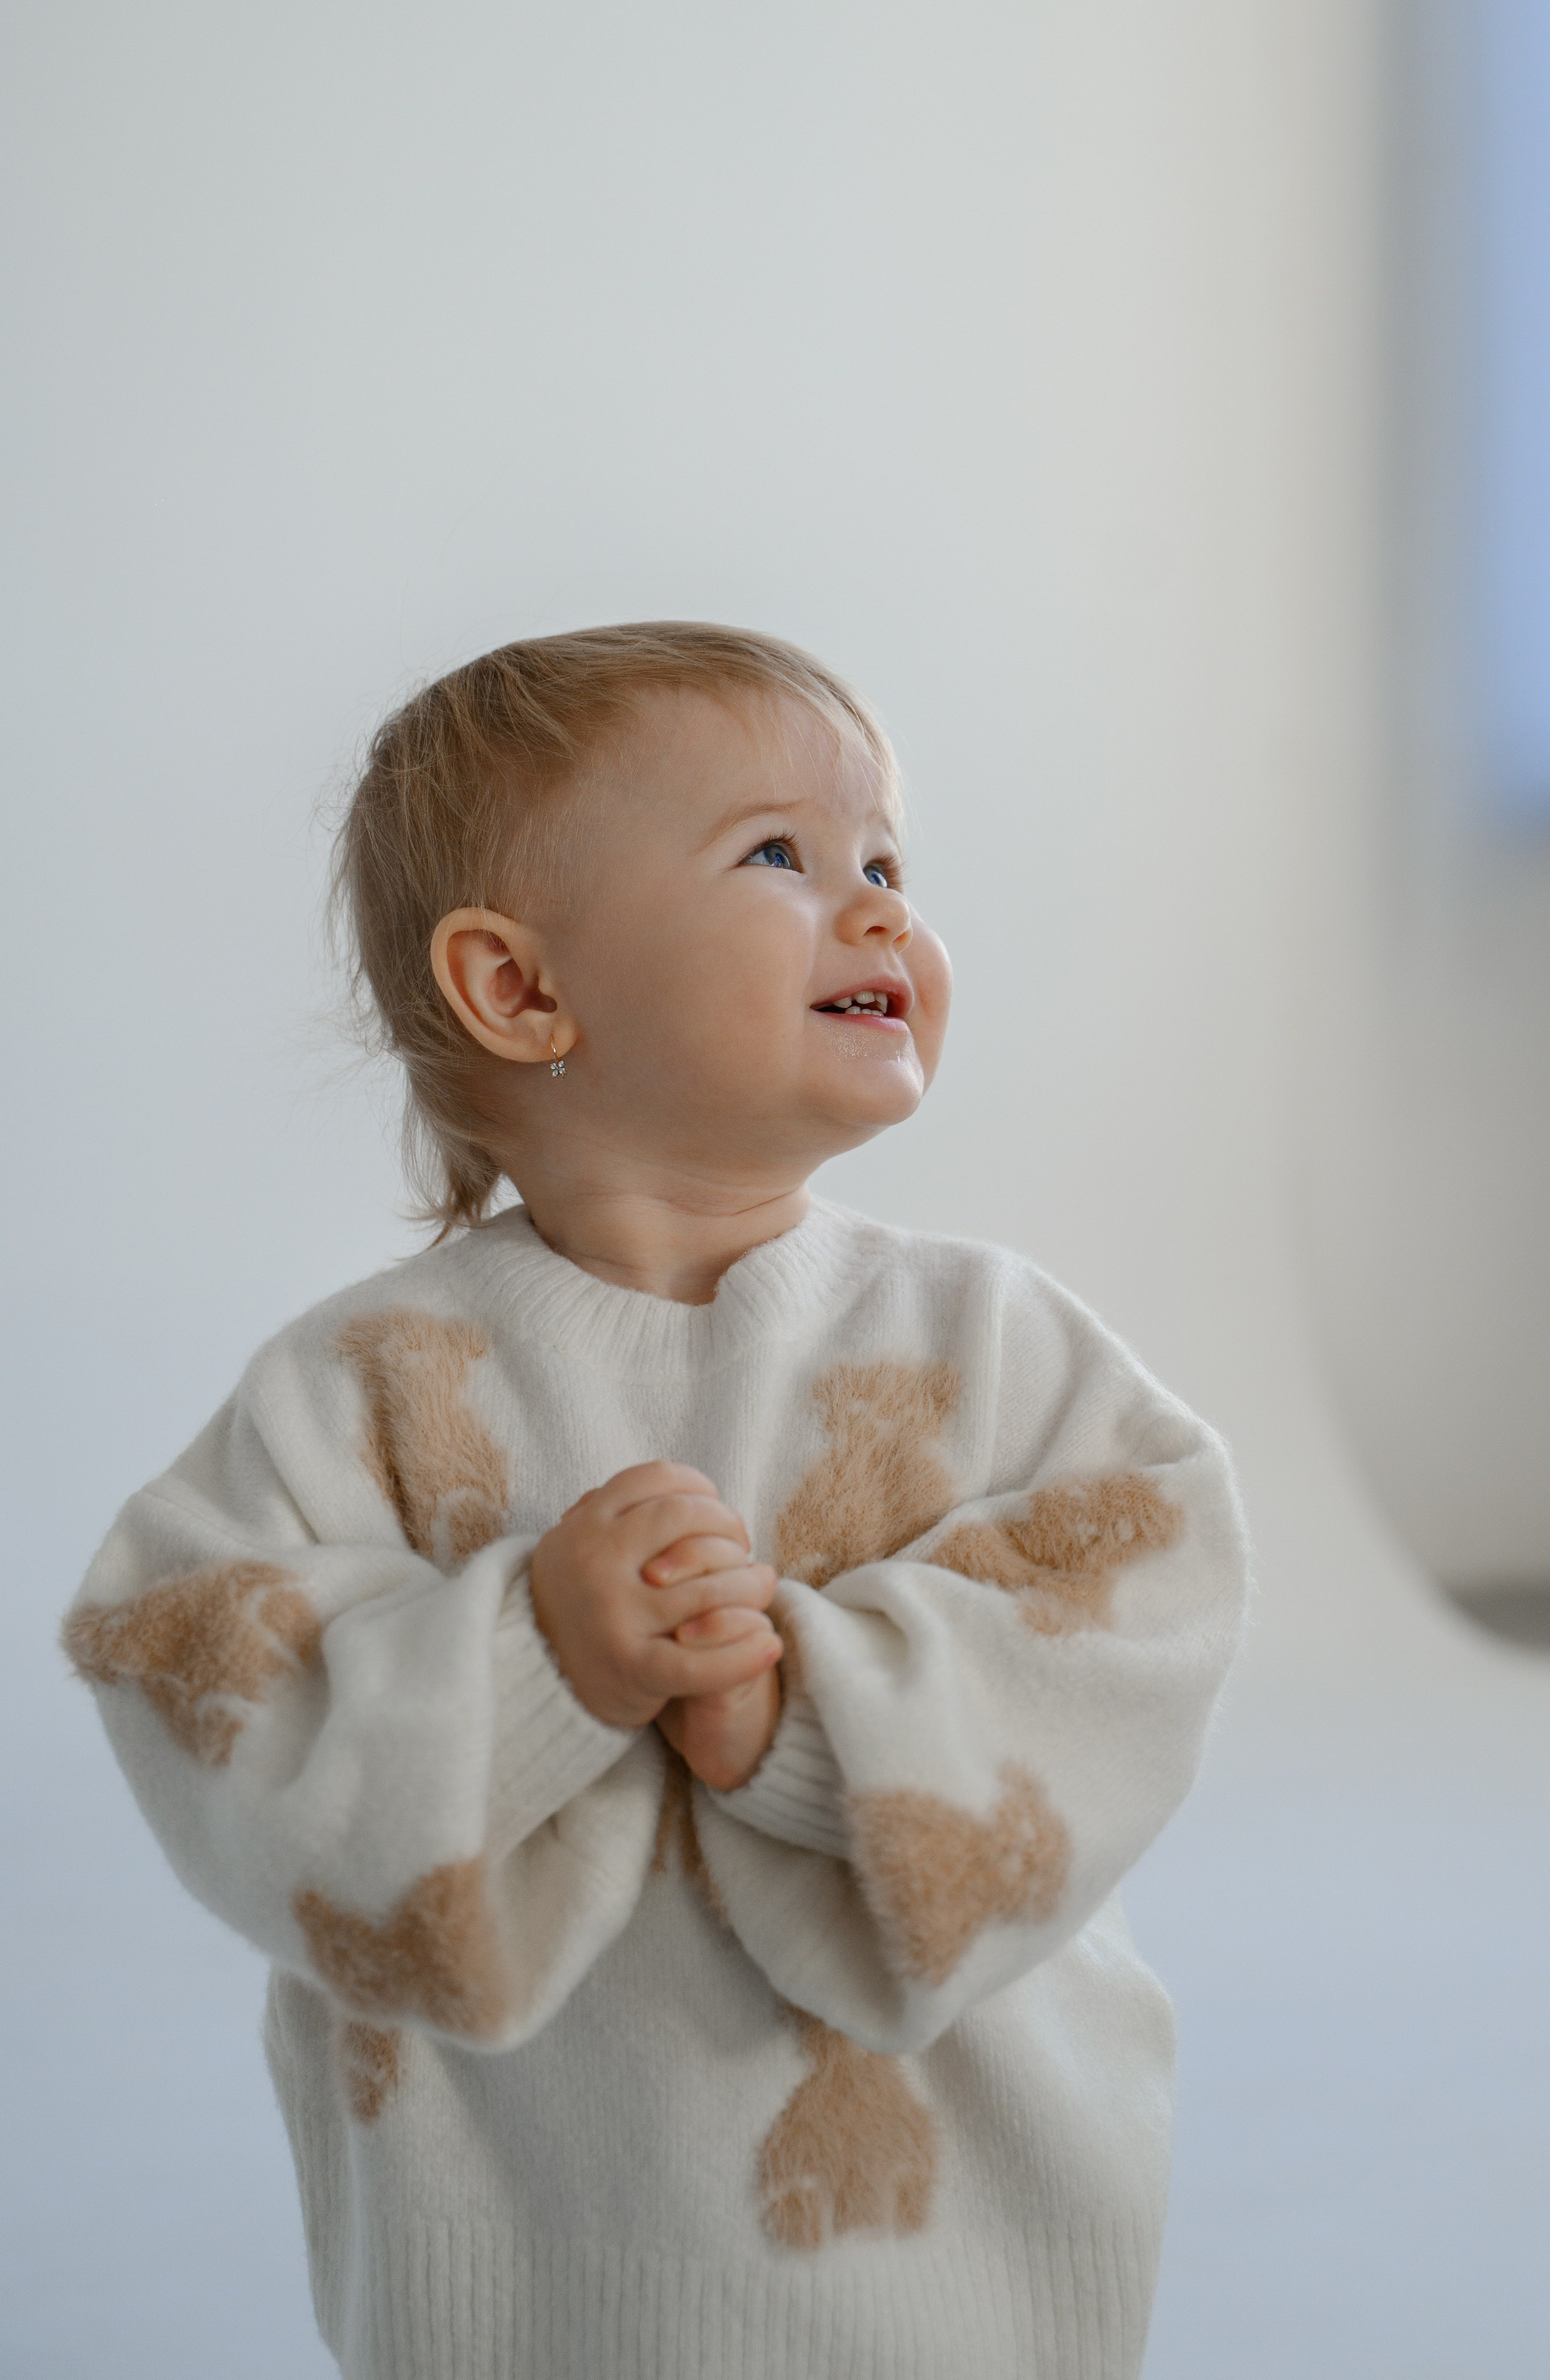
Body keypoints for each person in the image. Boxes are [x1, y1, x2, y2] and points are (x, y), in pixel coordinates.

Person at [63, 622, 1248, 2380]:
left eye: (885, 863)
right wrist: (533, 1659)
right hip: (521, 2268)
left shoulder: (987, 1341)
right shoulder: (372, 1385)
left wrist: (813, 1717)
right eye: (780, 854)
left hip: (941, 2268)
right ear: (519, 989)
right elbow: (188, 1658)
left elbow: (1139, 1596)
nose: (880, 914)